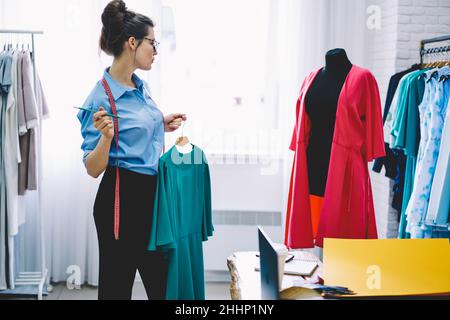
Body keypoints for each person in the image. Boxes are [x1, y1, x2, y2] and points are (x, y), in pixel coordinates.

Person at [77, 0, 186, 300]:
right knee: (116, 290)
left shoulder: (141, 87)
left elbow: (136, 127)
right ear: (132, 42)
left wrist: (159, 123)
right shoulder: (99, 97)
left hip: (151, 197)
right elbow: (92, 167)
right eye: (153, 42)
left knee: (162, 287)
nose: (156, 49)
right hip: (120, 200)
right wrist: (106, 138)